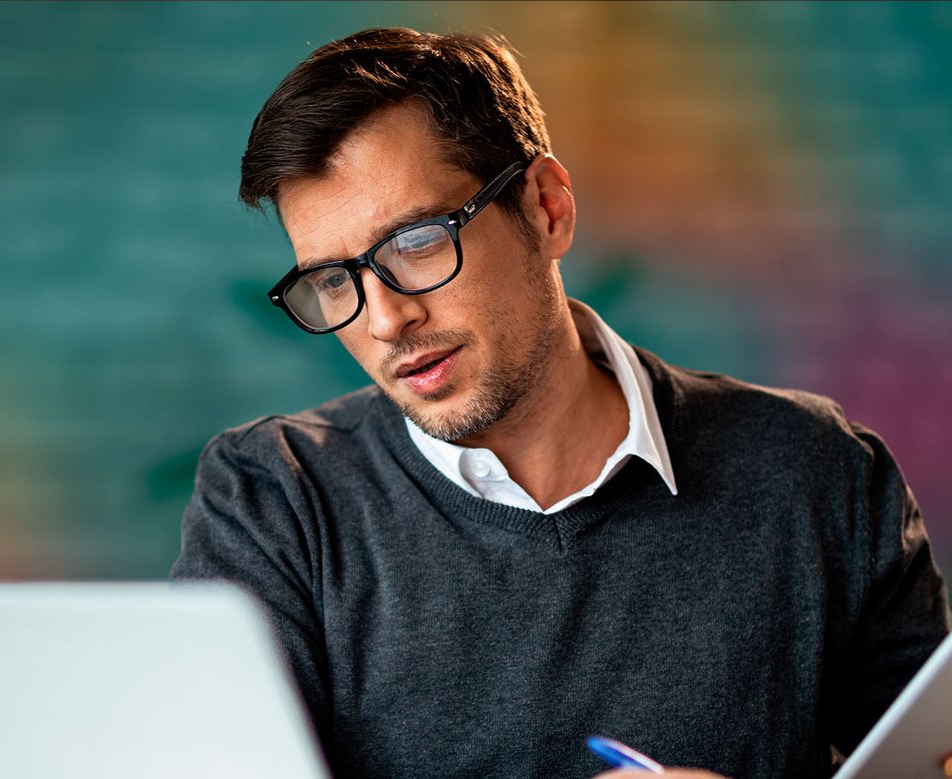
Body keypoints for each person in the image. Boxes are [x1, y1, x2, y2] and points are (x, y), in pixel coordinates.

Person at [170, 27, 949, 779]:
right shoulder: (274, 499)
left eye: (415, 243)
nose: (385, 320)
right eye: (334, 280)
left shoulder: (818, 471)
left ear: (547, 208)